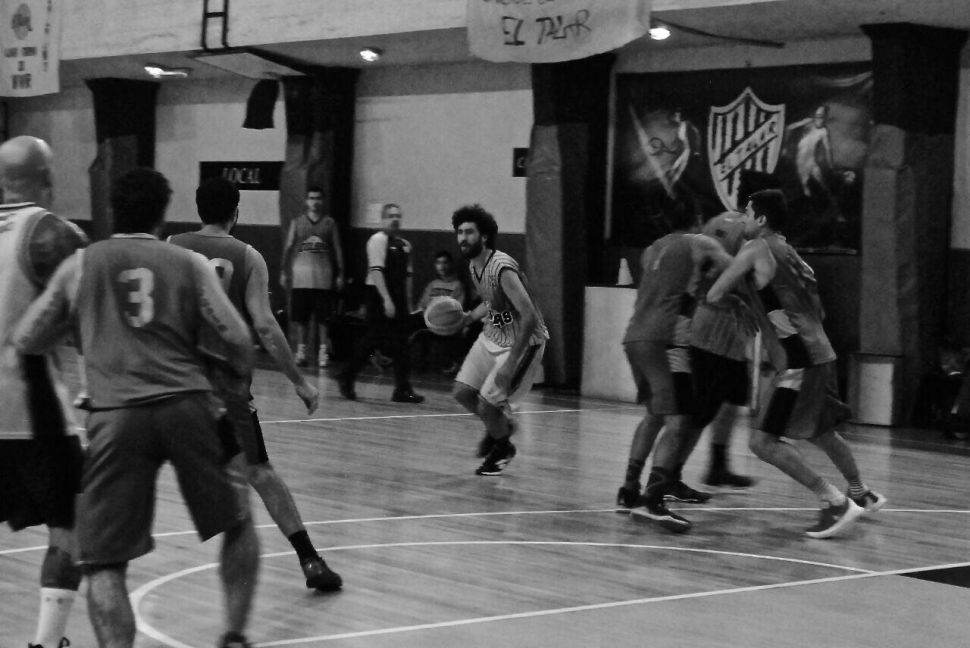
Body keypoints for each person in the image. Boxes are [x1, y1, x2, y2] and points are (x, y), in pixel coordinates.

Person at [13, 168, 260, 648]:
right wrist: (228, 376)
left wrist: (81, 329)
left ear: (111, 210)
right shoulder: (188, 263)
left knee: (103, 562)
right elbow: (238, 339)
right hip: (189, 406)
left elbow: (27, 338)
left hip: (115, 416)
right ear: (162, 213)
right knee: (238, 521)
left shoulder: (80, 265)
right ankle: (233, 634)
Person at [170, 177, 342, 592]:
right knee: (260, 474)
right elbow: (265, 326)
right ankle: (309, 559)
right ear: (237, 212)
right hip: (224, 389)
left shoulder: (171, 246)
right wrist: (299, 381)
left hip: (173, 385)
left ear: (198, 208)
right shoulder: (248, 256)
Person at [707, 189, 886, 538]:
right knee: (821, 431)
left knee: (762, 442)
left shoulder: (755, 248)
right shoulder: (791, 253)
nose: (743, 220)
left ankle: (834, 502)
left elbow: (715, 293)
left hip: (798, 360)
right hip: (820, 351)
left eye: (747, 213)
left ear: (761, 219)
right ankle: (860, 492)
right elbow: (819, 310)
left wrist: (740, 304)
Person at [0, 136, 86, 648]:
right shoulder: (54, 234)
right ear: (47, 177)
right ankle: (47, 642)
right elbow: (85, 324)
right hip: (33, 412)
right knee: (69, 527)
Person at [622, 197, 733, 532]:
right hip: (667, 342)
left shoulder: (651, 249)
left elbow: (672, 286)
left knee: (654, 415)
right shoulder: (701, 243)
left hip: (634, 336)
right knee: (679, 421)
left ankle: (629, 489)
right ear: (697, 219)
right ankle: (653, 499)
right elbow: (738, 270)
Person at [450, 205, 548, 476]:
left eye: (469, 232)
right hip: (493, 334)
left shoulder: (501, 267)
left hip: (522, 342)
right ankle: (500, 427)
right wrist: (469, 318)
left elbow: (529, 316)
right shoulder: (474, 264)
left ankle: (503, 447)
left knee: (487, 404)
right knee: (462, 392)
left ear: (484, 237)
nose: (462, 238)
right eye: (459, 232)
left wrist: (510, 364)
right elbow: (490, 302)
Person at [337, 203, 423, 403]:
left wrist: (408, 303)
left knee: (402, 343)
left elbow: (408, 276)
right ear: (383, 220)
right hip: (378, 295)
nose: (395, 219)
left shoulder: (405, 245)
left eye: (398, 216)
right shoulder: (377, 240)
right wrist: (386, 300)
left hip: (399, 297)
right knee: (373, 339)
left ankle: (402, 389)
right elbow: (376, 271)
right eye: (391, 216)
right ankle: (347, 375)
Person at [281, 185, 345, 368]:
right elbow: (288, 247)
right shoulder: (297, 222)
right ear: (306, 201)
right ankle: (301, 352)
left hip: (323, 278)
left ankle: (323, 352)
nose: (315, 202)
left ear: (322, 201)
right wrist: (283, 271)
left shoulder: (329, 223)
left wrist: (341, 273)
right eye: (311, 198)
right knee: (301, 319)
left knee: (323, 319)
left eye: (318, 198)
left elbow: (338, 250)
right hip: (301, 278)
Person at [411, 250, 472, 374]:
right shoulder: (432, 284)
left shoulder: (457, 285)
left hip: (446, 323)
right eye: (438, 263)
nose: (442, 266)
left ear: (450, 264)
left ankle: (451, 363)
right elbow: (422, 305)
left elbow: (456, 309)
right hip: (427, 321)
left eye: (445, 263)